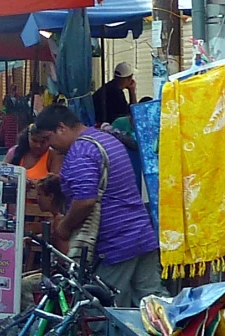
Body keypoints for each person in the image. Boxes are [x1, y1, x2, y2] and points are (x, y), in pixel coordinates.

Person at [36, 102, 161, 306]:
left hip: (115, 244)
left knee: (103, 311)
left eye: (49, 138)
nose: (50, 146)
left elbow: (86, 200)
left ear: (61, 128)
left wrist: (64, 227)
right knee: (152, 304)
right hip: (140, 234)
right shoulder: (104, 139)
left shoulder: (81, 151)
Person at [92, 62, 136, 128]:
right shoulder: (117, 94)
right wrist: (132, 91)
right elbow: (132, 114)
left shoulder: (107, 87)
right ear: (129, 78)